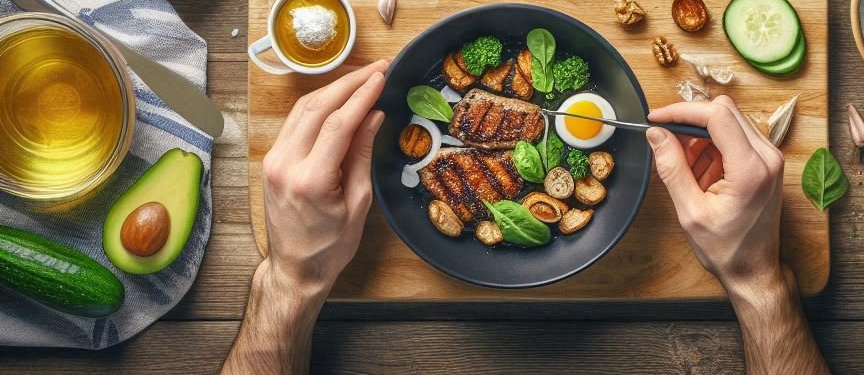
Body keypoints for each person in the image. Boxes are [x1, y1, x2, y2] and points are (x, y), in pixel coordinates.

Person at [220, 63, 831, 375]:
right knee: (472, 167)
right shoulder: (475, 155)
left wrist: (290, 282)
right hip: (472, 169)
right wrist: (758, 280)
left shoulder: (525, 155)